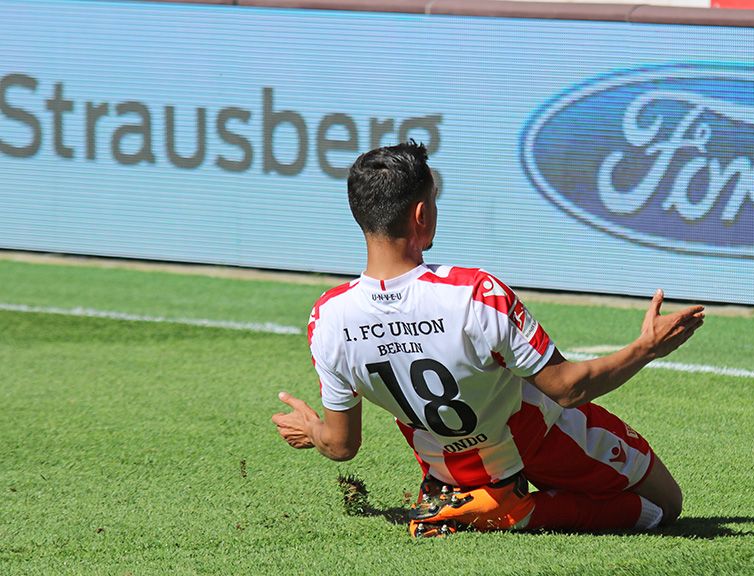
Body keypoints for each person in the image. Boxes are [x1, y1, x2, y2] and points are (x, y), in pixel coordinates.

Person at [272, 141, 705, 537]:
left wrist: (313, 429)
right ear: (421, 214)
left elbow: (342, 445)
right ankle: (520, 510)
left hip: (450, 466)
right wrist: (647, 347)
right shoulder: (474, 293)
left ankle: (461, 494)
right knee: (665, 504)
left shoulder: (327, 318)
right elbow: (569, 388)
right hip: (541, 441)